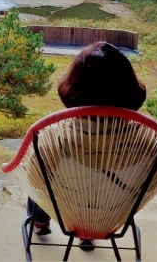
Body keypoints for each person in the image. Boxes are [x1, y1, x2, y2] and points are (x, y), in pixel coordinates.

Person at [28, 40, 146, 251]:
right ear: (129, 86)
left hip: (67, 212)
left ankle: (39, 221)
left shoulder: (54, 138)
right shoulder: (146, 140)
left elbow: (34, 181)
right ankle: (88, 235)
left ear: (74, 87)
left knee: (41, 176)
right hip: (114, 213)